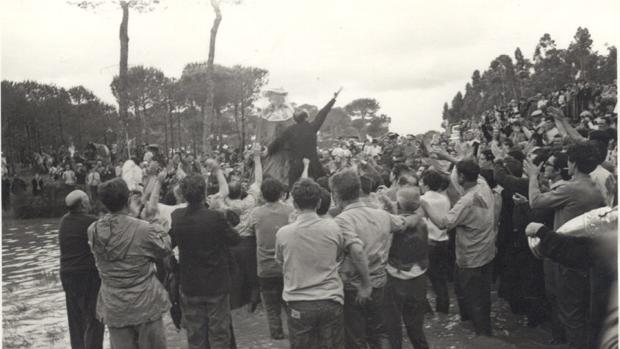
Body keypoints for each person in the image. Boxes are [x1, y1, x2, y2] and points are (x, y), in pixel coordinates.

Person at [330, 169, 422, 348]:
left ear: (336, 195)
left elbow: (356, 251)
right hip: (380, 282)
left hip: (354, 287)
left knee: (355, 337)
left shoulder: (341, 221)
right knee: (378, 333)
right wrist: (416, 216)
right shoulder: (381, 215)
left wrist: (365, 285)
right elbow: (404, 223)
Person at [526, 142, 606, 349]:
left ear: (574, 164)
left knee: (571, 312)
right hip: (585, 254)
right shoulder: (594, 185)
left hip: (566, 255)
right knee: (580, 311)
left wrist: (534, 176)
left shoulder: (571, 188)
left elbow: (535, 202)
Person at [88, 178, 172, 349]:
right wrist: (146, 219)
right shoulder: (144, 228)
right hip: (145, 302)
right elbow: (165, 247)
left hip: (114, 304)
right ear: (128, 201)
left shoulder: (93, 230)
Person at [423, 159, 497, 336]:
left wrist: (425, 204)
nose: (454, 178)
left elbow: (443, 223)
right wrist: (445, 157)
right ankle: (479, 334)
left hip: (471, 258)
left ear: (462, 176)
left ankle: (481, 338)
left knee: (474, 302)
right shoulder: (483, 186)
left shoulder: (466, 201)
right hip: (487, 252)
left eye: (456, 174)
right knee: (480, 299)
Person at [170, 174, 241, 349]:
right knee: (219, 334)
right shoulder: (215, 217)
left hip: (191, 284)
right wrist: (221, 212)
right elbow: (234, 239)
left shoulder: (177, 216)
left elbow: (172, 241)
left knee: (196, 335)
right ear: (204, 192)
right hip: (216, 283)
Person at [275, 178, 346, 349]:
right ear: (319, 201)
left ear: (294, 203)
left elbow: (280, 262)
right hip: (330, 299)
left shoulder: (283, 233)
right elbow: (339, 256)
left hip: (299, 301)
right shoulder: (333, 228)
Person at [247, 177, 293, 340]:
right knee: (289, 303)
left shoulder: (256, 213)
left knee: (271, 305)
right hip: (286, 265)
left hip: (265, 267)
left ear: (262, 194)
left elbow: (250, 232)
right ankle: (294, 331)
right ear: (281, 193)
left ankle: (276, 332)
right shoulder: (290, 211)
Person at [384, 188, 430, 349]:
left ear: (400, 204)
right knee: (416, 326)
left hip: (396, 277)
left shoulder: (394, 225)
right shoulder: (423, 223)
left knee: (392, 326)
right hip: (419, 277)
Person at [59, 190, 104, 349]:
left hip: (68, 275)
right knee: (95, 318)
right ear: (83, 204)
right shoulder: (91, 222)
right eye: (87, 199)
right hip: (88, 276)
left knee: (75, 321)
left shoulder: (64, 221)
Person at [268, 89, 340, 187]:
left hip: (296, 167)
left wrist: (267, 151)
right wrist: (333, 99)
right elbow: (323, 113)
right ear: (306, 117)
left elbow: (278, 141)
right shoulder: (312, 127)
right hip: (313, 165)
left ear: (295, 119)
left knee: (295, 189)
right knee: (320, 187)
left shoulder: (290, 130)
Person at [419, 170, 451, 314]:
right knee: (440, 279)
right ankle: (443, 310)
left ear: (425, 185)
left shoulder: (422, 200)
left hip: (428, 242)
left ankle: (426, 312)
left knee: (422, 278)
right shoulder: (445, 199)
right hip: (443, 241)